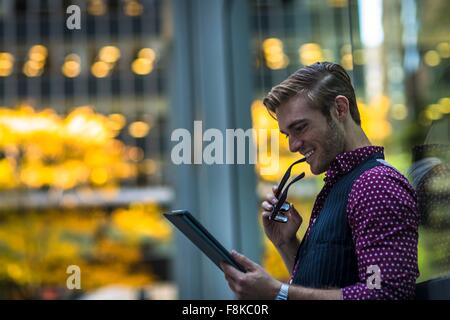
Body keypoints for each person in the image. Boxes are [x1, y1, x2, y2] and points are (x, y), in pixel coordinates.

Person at [220, 62, 419, 300]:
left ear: (339, 109)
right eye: (287, 135)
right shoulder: (342, 185)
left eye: (300, 127)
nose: (293, 145)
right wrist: (286, 244)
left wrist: (277, 292)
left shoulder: (375, 185)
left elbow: (386, 294)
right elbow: (327, 283)